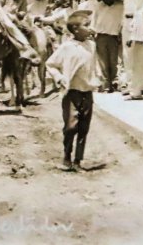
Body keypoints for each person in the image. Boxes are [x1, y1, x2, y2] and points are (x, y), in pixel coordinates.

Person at [45, 10, 100, 172]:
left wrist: (98, 77)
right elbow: (50, 64)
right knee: (70, 126)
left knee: (84, 127)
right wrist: (59, 77)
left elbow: (93, 64)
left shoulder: (92, 45)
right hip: (72, 93)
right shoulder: (66, 47)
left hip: (87, 92)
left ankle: (78, 160)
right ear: (75, 29)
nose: (90, 28)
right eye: (86, 26)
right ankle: (66, 156)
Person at [113, 0, 143, 92]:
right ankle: (135, 83)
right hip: (127, 21)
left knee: (133, 53)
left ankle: (136, 84)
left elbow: (141, 5)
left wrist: (136, 22)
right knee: (128, 54)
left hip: (135, 21)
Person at [92, 0, 124, 93]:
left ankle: (114, 82)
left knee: (114, 61)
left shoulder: (120, 7)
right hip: (100, 36)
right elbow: (94, 21)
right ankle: (106, 83)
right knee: (103, 61)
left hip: (114, 37)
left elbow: (122, 22)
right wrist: (93, 33)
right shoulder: (98, 6)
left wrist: (121, 33)